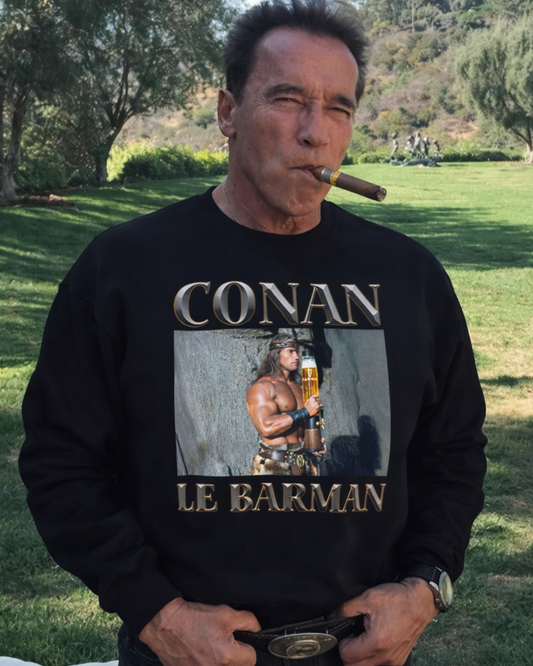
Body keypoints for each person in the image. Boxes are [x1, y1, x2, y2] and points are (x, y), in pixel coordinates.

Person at [19, 2, 487, 666]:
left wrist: (426, 585)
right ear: (227, 112)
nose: (314, 133)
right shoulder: (124, 268)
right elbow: (60, 460)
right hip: (183, 652)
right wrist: (155, 613)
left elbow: (454, 451)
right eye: (287, 99)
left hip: (362, 650)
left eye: (338, 108)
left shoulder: (408, 276)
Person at [246, 334, 323, 476]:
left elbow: (304, 428)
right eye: (290, 351)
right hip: (273, 466)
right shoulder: (262, 387)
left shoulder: (301, 389)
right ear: (276, 354)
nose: (297, 356)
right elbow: (266, 427)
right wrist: (305, 411)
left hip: (301, 465)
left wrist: (315, 445)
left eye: (297, 352)